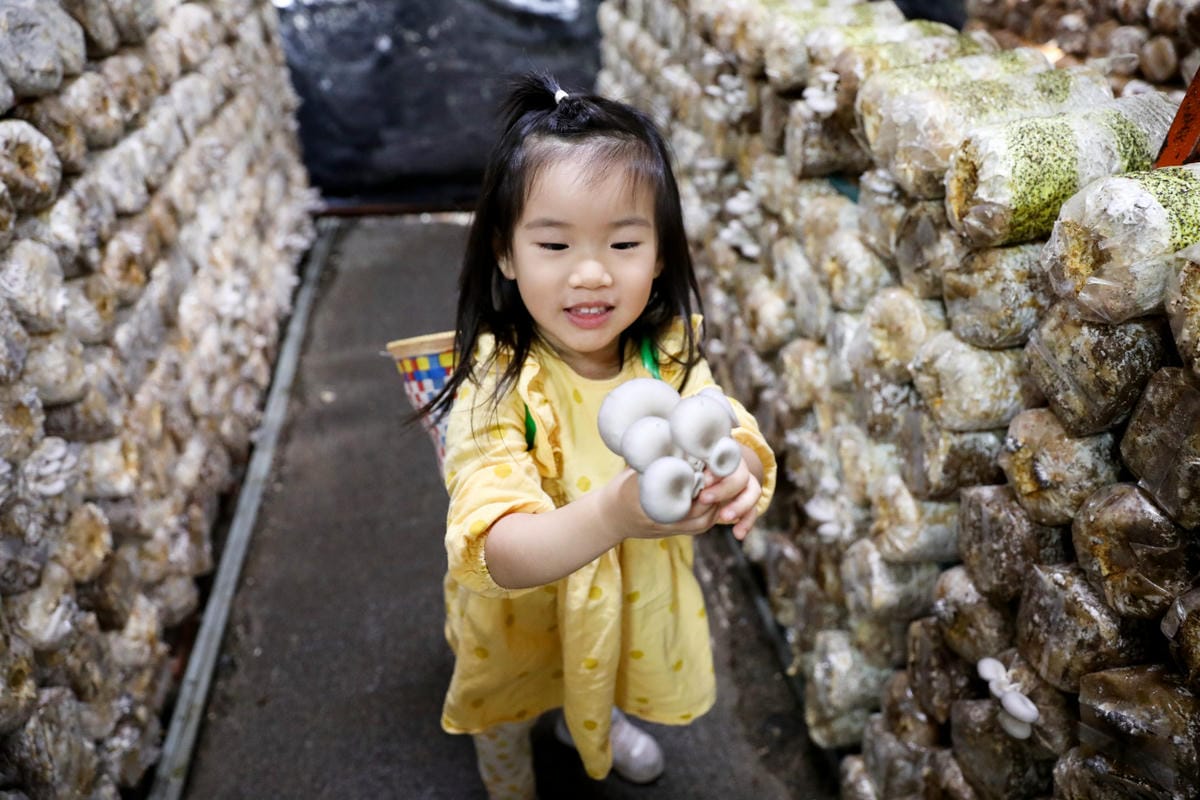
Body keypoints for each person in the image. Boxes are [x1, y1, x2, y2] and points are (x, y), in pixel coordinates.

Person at [419, 71, 776, 800]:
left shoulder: (665, 355)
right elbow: (497, 550)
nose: (590, 274)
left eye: (622, 242)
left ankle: (596, 722)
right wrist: (613, 515)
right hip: (520, 614)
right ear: (506, 253)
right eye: (554, 244)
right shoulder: (496, 384)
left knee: (601, 661)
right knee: (511, 704)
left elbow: (722, 421)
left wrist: (736, 467)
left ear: (662, 253)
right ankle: (511, 777)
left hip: (624, 602)